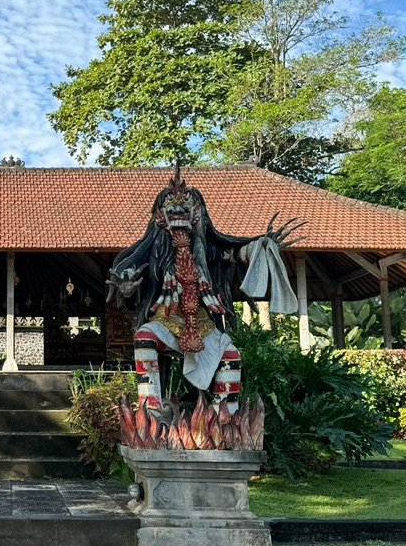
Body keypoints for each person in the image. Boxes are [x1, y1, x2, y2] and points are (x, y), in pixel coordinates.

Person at [107, 167, 299, 419]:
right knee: (144, 337)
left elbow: (238, 254)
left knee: (231, 355)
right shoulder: (154, 250)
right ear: (160, 216)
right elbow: (127, 269)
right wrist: (125, 284)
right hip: (165, 320)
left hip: (202, 323)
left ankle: (224, 415)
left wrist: (262, 248)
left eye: (185, 208)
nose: (178, 212)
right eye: (172, 208)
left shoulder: (209, 252)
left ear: (197, 214)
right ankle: (150, 407)